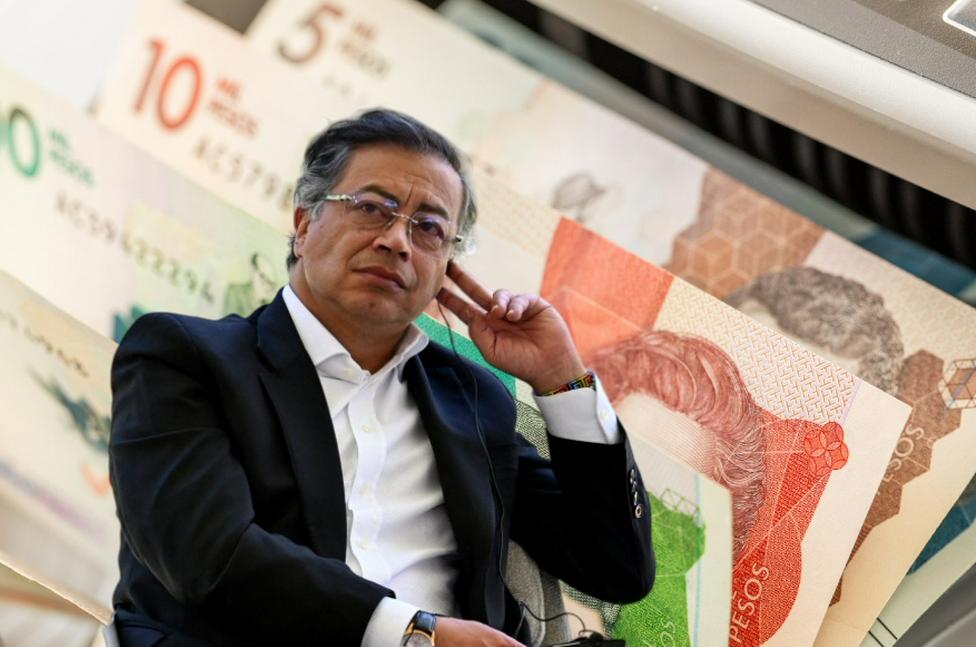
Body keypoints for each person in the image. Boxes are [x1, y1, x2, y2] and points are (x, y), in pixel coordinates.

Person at [108, 109, 655, 647]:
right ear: (304, 224)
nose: (397, 241)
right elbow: (207, 555)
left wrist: (563, 381)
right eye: (372, 208)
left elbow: (616, 569)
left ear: (446, 268)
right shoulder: (185, 358)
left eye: (429, 228)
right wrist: (416, 635)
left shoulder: (469, 399)